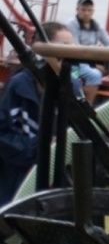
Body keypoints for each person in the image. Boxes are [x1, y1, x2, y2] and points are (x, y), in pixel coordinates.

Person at [0, 21, 73, 202]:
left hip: (58, 186)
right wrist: (42, 147)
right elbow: (3, 136)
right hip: (17, 184)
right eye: (63, 48)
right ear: (41, 51)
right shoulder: (19, 86)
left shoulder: (73, 87)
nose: (71, 54)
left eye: (73, 48)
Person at [66, 0, 109, 99]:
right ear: (77, 10)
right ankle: (87, 108)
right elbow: (76, 49)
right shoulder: (71, 24)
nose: (86, 13)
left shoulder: (97, 26)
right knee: (93, 75)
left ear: (93, 11)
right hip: (74, 65)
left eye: (89, 10)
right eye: (83, 10)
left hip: (90, 62)